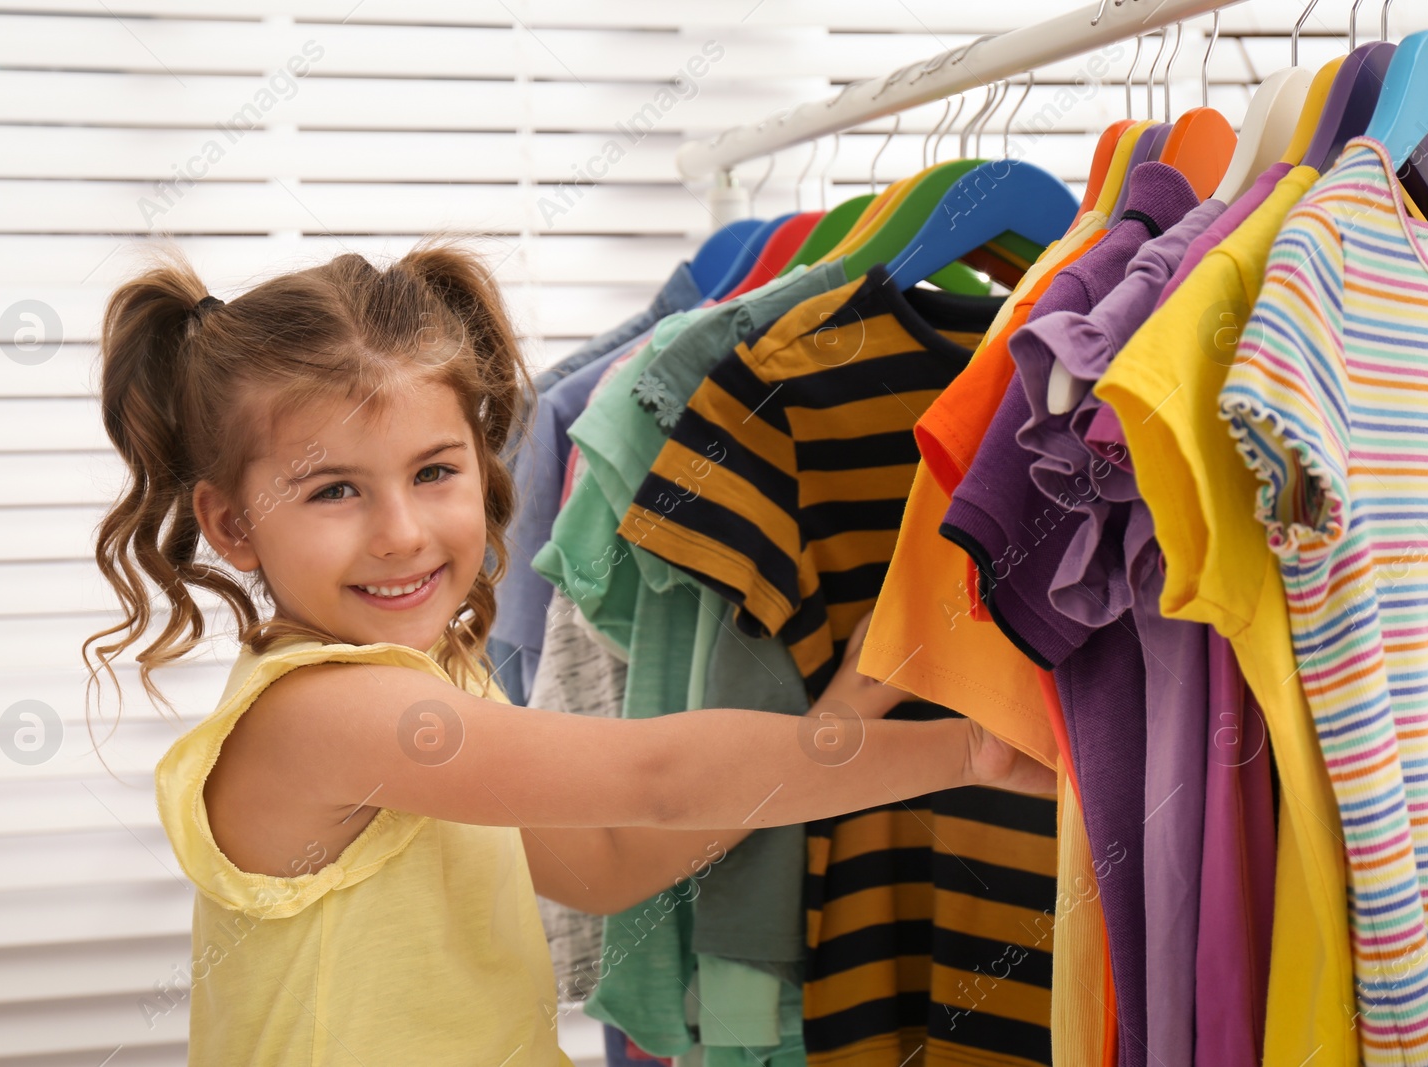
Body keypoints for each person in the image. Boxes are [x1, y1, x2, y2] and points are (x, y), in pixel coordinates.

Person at [81, 239, 1054, 1066]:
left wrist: (842, 715)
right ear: (232, 526)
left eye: (434, 471)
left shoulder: (430, 681)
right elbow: (657, 779)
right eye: (334, 489)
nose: (402, 531)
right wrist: (961, 752)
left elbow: (605, 859)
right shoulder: (325, 714)